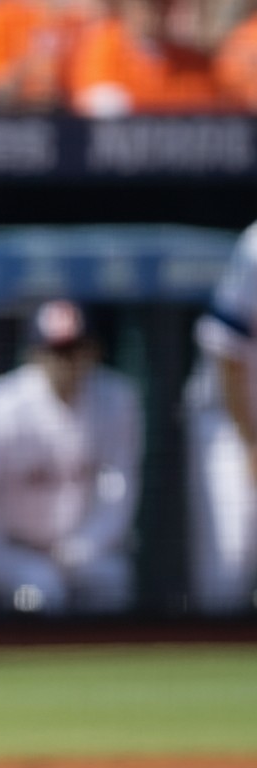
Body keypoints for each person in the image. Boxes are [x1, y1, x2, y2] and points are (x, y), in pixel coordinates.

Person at [0, 299, 143, 616]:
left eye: (75, 349)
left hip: (78, 547)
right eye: (55, 351)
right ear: (34, 354)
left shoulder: (116, 398)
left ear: (94, 350)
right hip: (2, 546)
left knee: (112, 580)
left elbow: (118, 494)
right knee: (41, 588)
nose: (66, 361)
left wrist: (78, 548)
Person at [184, 220, 257, 615]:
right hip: (230, 419)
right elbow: (228, 353)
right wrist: (251, 443)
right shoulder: (255, 247)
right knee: (228, 563)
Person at [67, 0, 222, 117]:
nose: (154, 12)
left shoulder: (194, 63)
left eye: (162, 4)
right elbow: (101, 111)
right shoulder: (103, 50)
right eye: (146, 5)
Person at [0, 0, 104, 112]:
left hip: (69, 115)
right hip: (11, 115)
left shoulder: (77, 19)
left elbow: (96, 86)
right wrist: (25, 68)